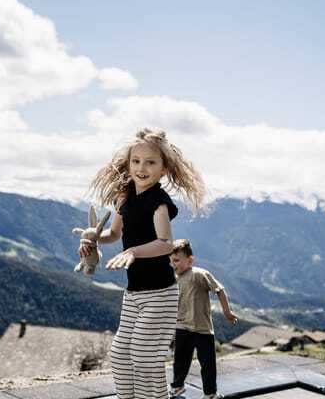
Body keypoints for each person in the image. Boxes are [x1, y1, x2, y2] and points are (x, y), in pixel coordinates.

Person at [79, 129, 205, 399]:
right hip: (133, 294)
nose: (141, 167)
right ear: (128, 164)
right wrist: (94, 239)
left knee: (144, 356)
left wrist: (134, 251)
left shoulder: (159, 204)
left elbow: (165, 243)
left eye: (150, 162)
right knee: (120, 355)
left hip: (160, 294)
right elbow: (114, 234)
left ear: (164, 169)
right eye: (136, 161)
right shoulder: (125, 199)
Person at [169, 239, 238, 399]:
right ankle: (177, 387)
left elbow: (219, 290)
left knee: (207, 364)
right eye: (171, 261)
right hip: (182, 327)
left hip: (203, 329)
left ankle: (210, 393)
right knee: (180, 361)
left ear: (190, 260)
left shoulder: (199, 274)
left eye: (177, 260)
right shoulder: (174, 279)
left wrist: (227, 312)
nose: (174, 264)